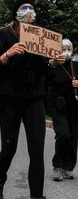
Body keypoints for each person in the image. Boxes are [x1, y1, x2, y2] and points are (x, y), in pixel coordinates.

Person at [0, 0, 65, 199]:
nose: (29, 12)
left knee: (37, 151)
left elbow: (44, 72)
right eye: (24, 8)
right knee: (9, 149)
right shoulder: (3, 35)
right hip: (9, 100)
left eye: (32, 8)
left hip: (34, 99)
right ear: (15, 13)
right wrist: (7, 55)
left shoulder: (39, 38)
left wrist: (53, 64)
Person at [45, 38, 78, 181]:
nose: (66, 51)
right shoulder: (53, 66)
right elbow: (44, 86)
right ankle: (57, 166)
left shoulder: (76, 65)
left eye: (68, 49)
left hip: (74, 105)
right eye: (63, 49)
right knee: (63, 134)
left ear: (72, 50)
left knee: (73, 137)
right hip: (57, 105)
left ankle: (68, 168)